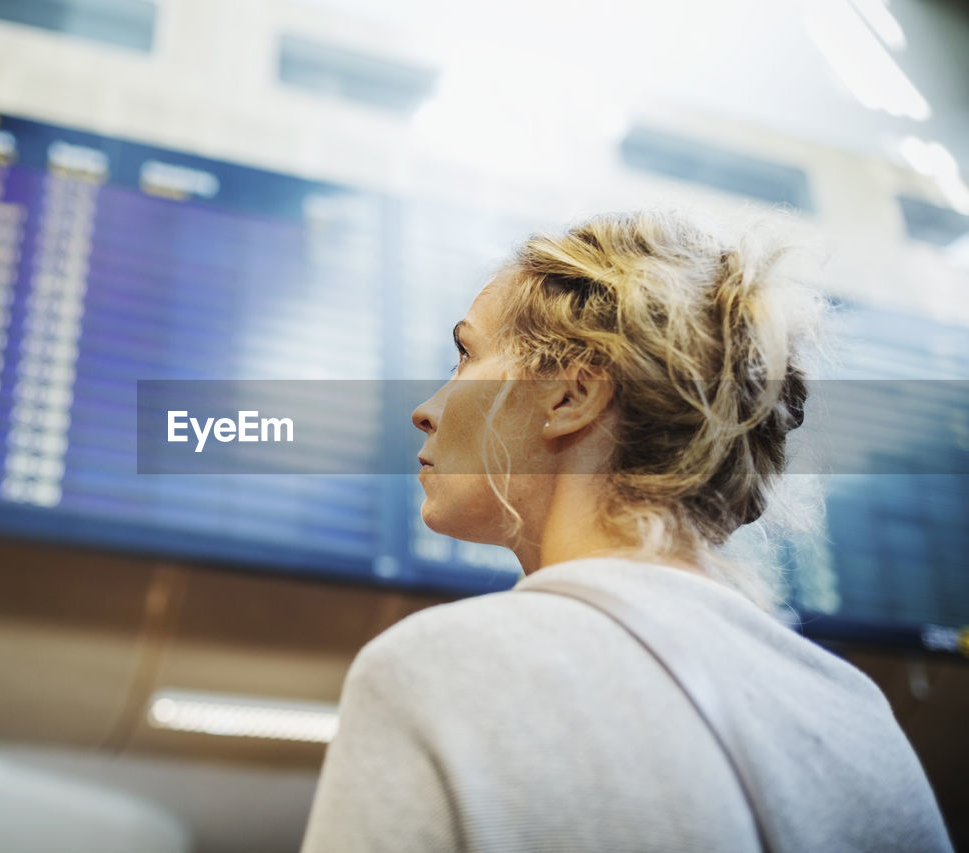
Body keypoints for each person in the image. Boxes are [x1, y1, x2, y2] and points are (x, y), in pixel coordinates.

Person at [299, 210, 953, 852]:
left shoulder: (436, 670)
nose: (425, 410)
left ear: (569, 396)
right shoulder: (855, 718)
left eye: (465, 354)